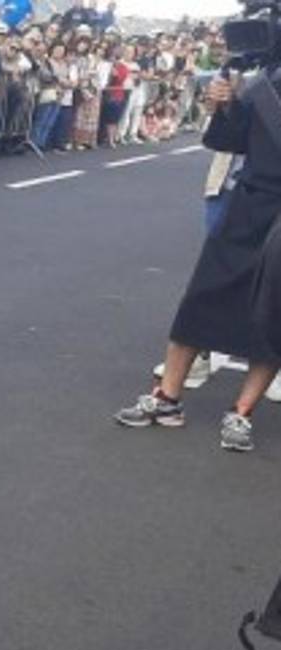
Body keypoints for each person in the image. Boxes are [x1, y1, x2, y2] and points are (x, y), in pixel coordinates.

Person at [114, 71, 281, 453]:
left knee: (273, 314)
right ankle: (167, 399)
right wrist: (223, 107)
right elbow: (226, 141)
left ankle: (242, 412)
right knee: (201, 297)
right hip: (249, 203)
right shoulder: (264, 82)